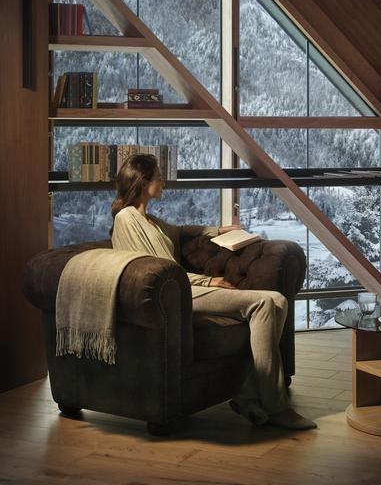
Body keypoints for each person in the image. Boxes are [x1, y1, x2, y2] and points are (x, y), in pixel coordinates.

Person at [111, 153, 316, 431]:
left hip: (181, 290)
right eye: (159, 177)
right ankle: (275, 405)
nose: (163, 182)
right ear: (143, 181)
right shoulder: (127, 218)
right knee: (263, 305)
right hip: (174, 296)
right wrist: (209, 282)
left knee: (278, 300)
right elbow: (160, 268)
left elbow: (181, 231)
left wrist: (219, 229)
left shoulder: (151, 220)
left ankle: (247, 393)